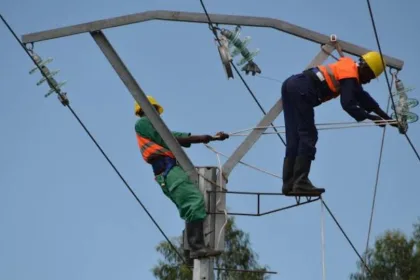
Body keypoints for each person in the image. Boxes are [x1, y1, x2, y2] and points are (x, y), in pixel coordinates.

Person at [281, 51, 398, 197]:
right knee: (308, 134)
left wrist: (388, 119)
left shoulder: (348, 70)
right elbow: (348, 104)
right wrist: (371, 118)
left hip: (291, 84)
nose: (368, 81)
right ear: (365, 68)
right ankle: (300, 182)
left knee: (295, 136)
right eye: (370, 77)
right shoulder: (350, 75)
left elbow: (363, 98)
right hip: (303, 89)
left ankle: (289, 184)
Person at [134, 95, 229, 259]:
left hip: (169, 169)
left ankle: (194, 246)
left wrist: (208, 137)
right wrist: (200, 138)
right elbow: (169, 138)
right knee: (193, 202)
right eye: (155, 110)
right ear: (147, 109)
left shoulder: (152, 126)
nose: (158, 114)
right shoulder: (143, 123)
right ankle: (196, 247)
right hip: (167, 170)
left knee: (192, 204)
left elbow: (173, 135)